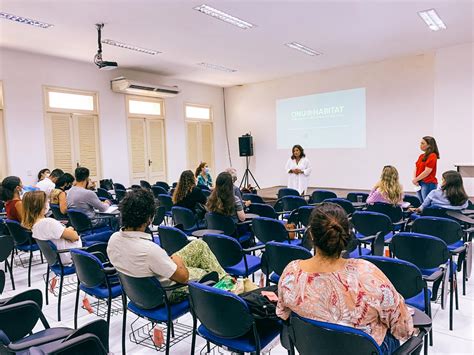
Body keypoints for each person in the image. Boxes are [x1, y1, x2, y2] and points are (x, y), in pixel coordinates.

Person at [277, 202, 415, 354]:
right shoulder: (368, 274)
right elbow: (403, 327)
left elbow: (282, 312)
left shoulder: (291, 272)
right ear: (347, 235)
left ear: (310, 234)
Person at [107, 188, 226, 303]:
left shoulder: (114, 239)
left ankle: (227, 281)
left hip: (137, 290)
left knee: (198, 244)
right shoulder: (149, 250)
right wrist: (177, 261)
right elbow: (184, 277)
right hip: (166, 293)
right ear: (149, 218)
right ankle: (228, 286)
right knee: (209, 273)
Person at [22, 191, 81, 265]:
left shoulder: (34, 224)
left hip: (62, 255)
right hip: (74, 253)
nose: (48, 203)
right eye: (46, 201)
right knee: (98, 240)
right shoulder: (48, 222)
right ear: (39, 205)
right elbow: (75, 237)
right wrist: (70, 229)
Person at [413, 136, 439, 202]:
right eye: (420, 143)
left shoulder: (432, 155)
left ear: (429, 145)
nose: (420, 145)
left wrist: (416, 179)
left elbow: (427, 171)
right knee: (420, 203)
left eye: (422, 143)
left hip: (428, 183)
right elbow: (416, 168)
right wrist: (415, 179)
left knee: (426, 204)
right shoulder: (421, 156)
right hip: (419, 182)